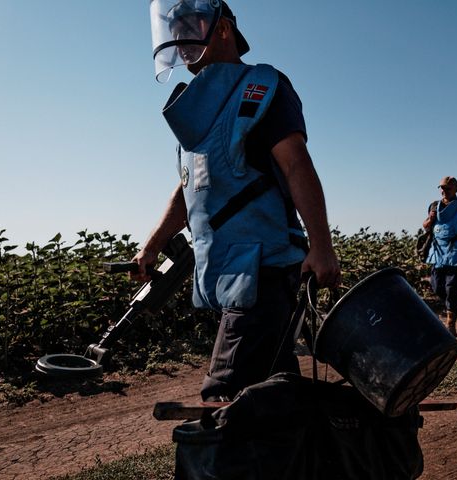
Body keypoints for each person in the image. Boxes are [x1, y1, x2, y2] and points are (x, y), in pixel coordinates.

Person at [135, 0, 341, 401]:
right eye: (174, 31)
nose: (180, 40)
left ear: (223, 29)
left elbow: (297, 165)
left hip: (265, 266)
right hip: (229, 270)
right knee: (272, 388)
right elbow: (189, 188)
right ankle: (300, 461)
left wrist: (322, 246)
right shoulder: (199, 114)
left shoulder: (262, 88)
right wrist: (153, 243)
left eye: (189, 26)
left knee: (224, 395)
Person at [422, 176, 457, 335]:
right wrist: (430, 218)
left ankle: (450, 323)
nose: (443, 191)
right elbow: (426, 227)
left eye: (447, 188)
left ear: (456, 189)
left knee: (451, 287)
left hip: (456, 252)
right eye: (441, 187)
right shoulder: (434, 206)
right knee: (436, 286)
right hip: (438, 252)